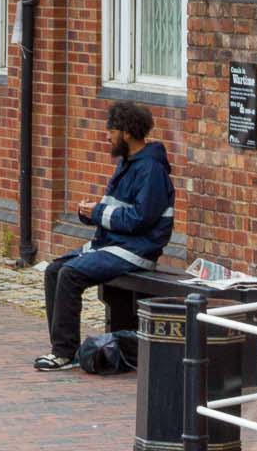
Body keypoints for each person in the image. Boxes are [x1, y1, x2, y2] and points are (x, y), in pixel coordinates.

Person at [34, 101, 176, 371]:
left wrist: (98, 212)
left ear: (126, 132)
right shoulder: (128, 163)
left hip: (135, 250)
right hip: (113, 244)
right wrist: (89, 213)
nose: (106, 135)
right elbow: (115, 210)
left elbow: (140, 219)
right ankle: (64, 350)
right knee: (54, 270)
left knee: (70, 274)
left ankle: (63, 354)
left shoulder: (151, 170)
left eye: (111, 130)